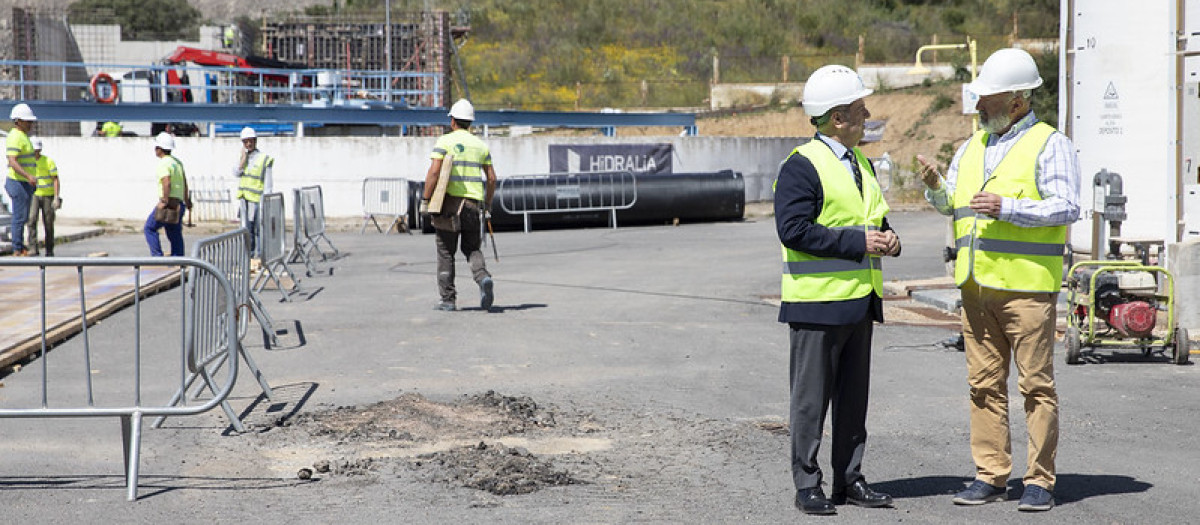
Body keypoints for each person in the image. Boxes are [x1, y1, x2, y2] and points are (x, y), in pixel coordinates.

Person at [917, 48, 1080, 512]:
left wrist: (1009, 208)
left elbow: (1068, 205)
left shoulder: (1050, 144)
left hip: (1027, 289)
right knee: (983, 385)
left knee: (1035, 387)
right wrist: (934, 187)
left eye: (987, 99)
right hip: (976, 288)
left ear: (1017, 100)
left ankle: (1040, 481)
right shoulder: (972, 147)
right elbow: (954, 205)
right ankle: (990, 474)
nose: (978, 107)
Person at [774, 65, 900, 516]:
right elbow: (793, 230)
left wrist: (890, 240)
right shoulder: (801, 166)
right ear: (837, 118)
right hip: (816, 305)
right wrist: (857, 242)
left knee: (853, 402)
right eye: (859, 110)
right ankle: (808, 484)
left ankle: (850, 479)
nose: (867, 116)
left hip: (859, 303)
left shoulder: (862, 163)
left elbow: (874, 221)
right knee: (810, 404)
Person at [419, 99, 497, 312]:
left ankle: (448, 299)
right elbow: (491, 179)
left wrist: (425, 200)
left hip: (449, 206)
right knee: (472, 248)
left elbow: (434, 172)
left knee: (445, 251)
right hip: (473, 206)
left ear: (453, 121)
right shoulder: (481, 146)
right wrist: (487, 204)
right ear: (470, 123)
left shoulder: (445, 141)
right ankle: (482, 278)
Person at [143, 132, 192, 257]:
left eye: (156, 148)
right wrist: (187, 201)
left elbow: (167, 182)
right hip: (178, 203)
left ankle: (157, 257)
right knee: (174, 232)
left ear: (160, 149)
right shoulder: (177, 163)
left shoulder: (164, 163)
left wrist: (164, 201)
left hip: (168, 203)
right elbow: (184, 183)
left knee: (150, 228)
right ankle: (178, 259)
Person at [234, 126, 273, 261]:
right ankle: (249, 257)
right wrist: (242, 160)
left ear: (255, 141)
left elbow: (268, 184)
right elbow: (236, 173)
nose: (248, 144)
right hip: (245, 201)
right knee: (247, 231)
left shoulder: (263, 159)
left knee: (259, 230)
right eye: (245, 142)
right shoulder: (243, 159)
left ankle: (261, 257)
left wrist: (265, 201)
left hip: (257, 201)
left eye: (250, 141)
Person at [6, 103, 38, 256]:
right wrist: (28, 176)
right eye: (27, 121)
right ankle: (17, 248)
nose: (30, 124)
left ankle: (19, 245)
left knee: (23, 216)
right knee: (19, 216)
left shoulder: (23, 137)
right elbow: (12, 161)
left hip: (24, 183)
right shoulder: (16, 137)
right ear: (18, 121)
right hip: (17, 181)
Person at [26, 137, 60, 256]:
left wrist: (56, 197)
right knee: (31, 220)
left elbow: (55, 179)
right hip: (34, 194)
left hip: (47, 196)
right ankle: (33, 248)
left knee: (48, 222)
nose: (36, 152)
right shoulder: (27, 162)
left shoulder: (48, 161)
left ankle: (49, 249)